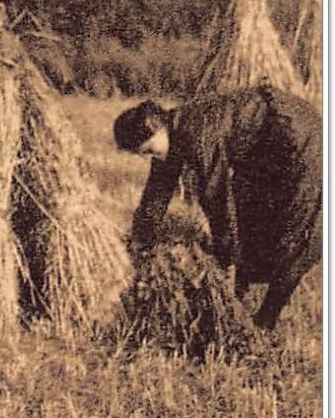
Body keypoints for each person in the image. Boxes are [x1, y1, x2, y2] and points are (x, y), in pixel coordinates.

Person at [114, 85, 322, 329]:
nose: (148, 157)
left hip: (301, 139)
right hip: (269, 149)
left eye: (148, 150)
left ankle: (265, 321)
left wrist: (224, 259)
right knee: (251, 221)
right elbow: (156, 194)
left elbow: (218, 201)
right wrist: (140, 243)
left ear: (156, 127)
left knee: (297, 231)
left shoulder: (195, 134)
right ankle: (235, 301)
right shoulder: (170, 133)